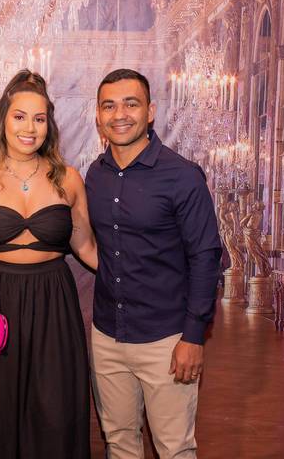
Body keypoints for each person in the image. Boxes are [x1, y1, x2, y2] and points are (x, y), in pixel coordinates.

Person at [0, 70, 96, 458]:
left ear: (49, 125)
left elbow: (87, 248)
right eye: (20, 116)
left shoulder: (69, 180)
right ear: (2, 120)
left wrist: (145, 273)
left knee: (55, 414)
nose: (30, 128)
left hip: (54, 305)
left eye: (39, 119)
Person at [86, 69, 222, 459]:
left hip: (167, 339)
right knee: (118, 443)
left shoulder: (182, 176)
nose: (119, 114)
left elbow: (205, 257)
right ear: (98, 116)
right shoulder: (95, 176)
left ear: (150, 112)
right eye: (109, 106)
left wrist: (193, 337)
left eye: (131, 104)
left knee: (174, 449)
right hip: (107, 336)